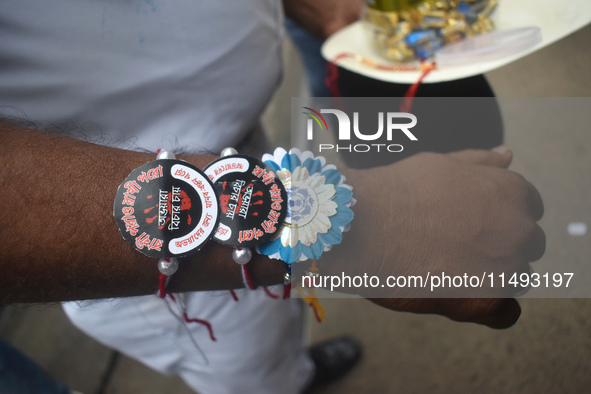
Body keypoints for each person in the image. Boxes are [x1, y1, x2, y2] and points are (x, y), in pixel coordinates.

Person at [0, 1, 545, 393]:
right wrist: (365, 224)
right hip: (154, 268)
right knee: (252, 372)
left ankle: (297, 372)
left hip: (249, 160)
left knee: (279, 334)